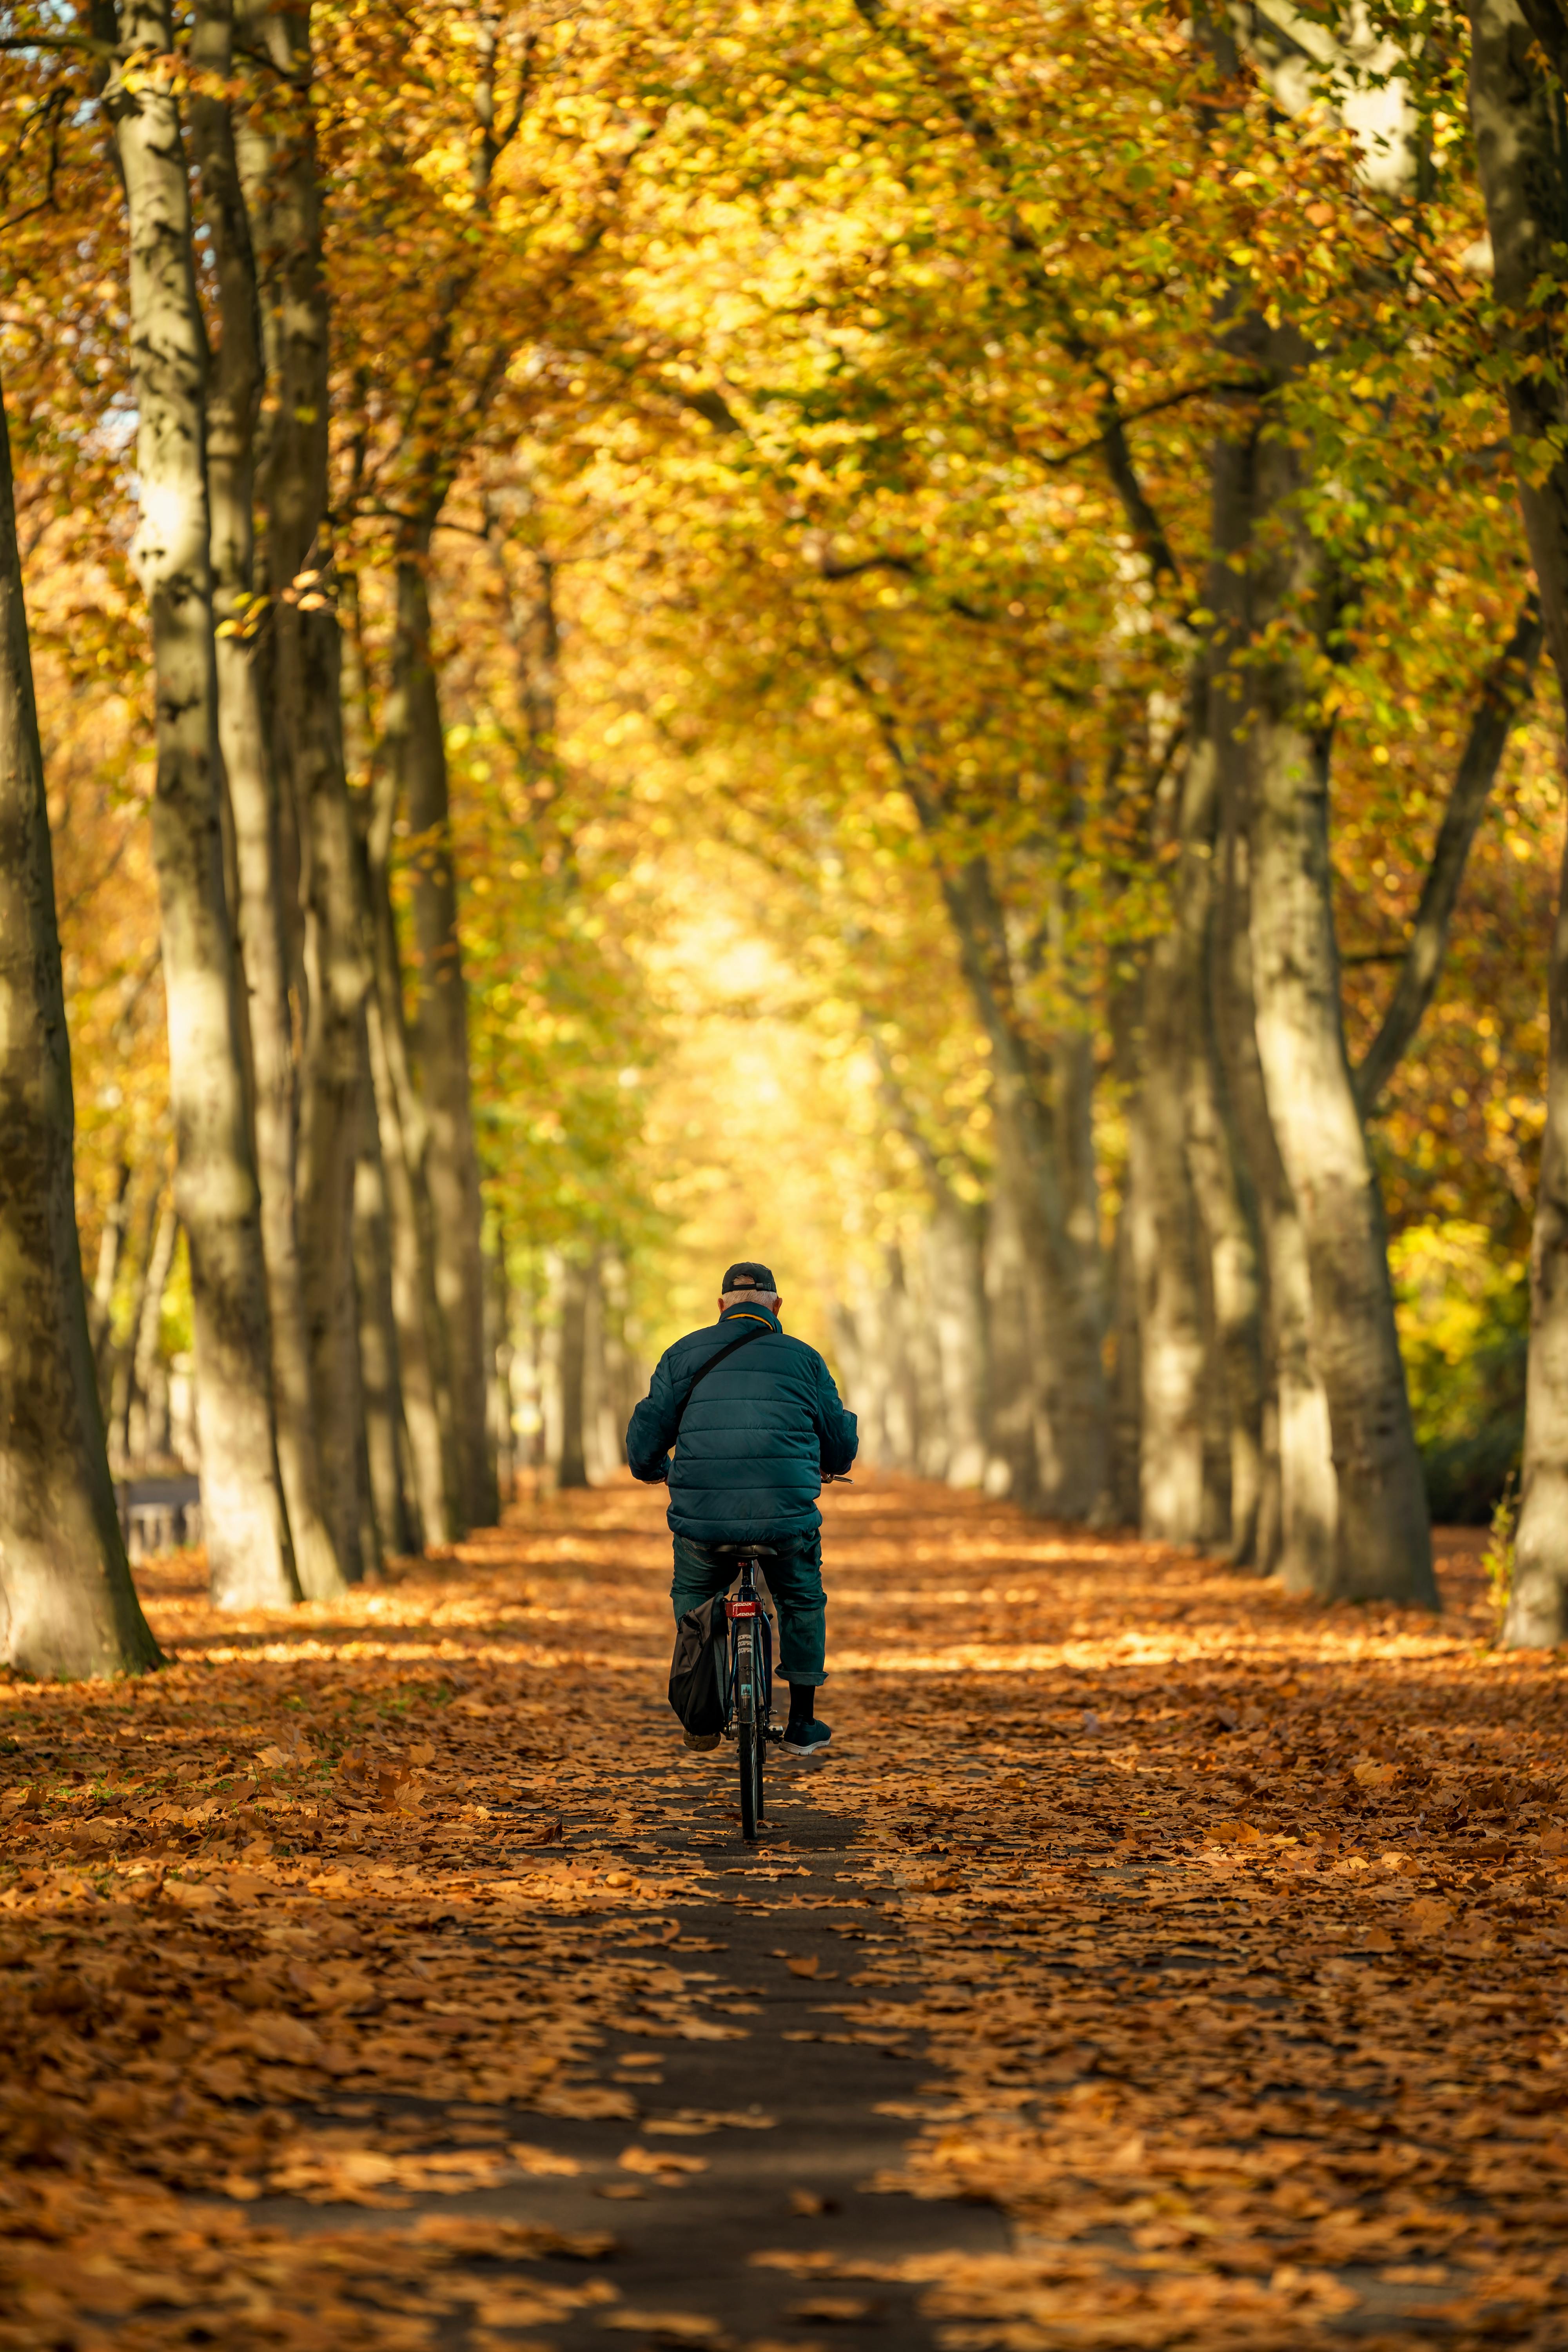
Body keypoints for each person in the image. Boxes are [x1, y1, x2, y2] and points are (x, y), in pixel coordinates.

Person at [626, 1261, 858, 1759]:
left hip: (702, 1516)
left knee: (693, 1590)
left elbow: (647, 1432)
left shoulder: (681, 1354)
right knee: (800, 1598)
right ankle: (801, 1722)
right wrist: (833, 1463)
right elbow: (838, 1438)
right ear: (776, 1306)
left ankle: (700, 1713)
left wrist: (652, 1469)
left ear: (721, 1307)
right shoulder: (804, 1359)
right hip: (785, 1515)